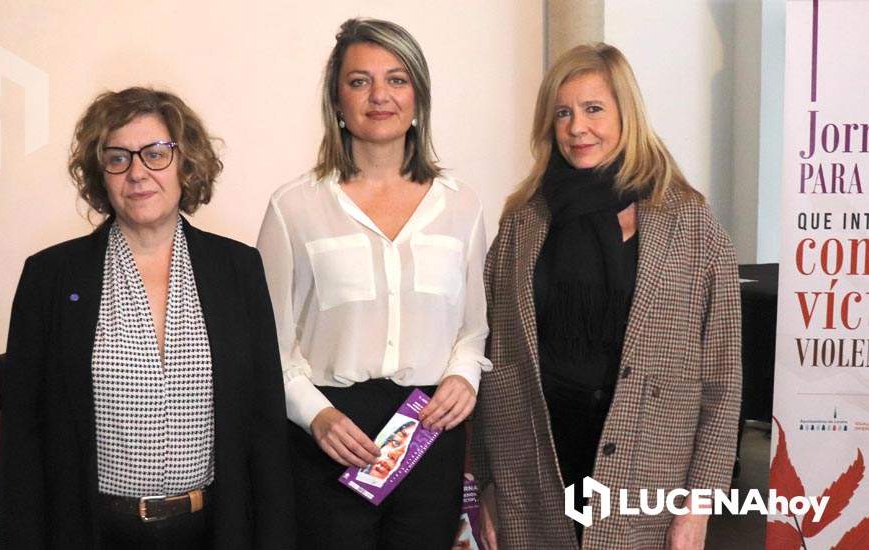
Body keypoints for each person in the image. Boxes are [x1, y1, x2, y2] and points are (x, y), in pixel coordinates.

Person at [0, 87, 294, 549]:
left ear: (185, 163)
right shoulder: (50, 277)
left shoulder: (237, 269)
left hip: (215, 531)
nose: (137, 173)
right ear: (102, 174)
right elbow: (23, 442)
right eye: (118, 158)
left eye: (156, 154)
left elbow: (265, 426)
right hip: (91, 532)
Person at [471, 43, 741, 550]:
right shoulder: (522, 224)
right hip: (534, 467)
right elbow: (490, 359)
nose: (577, 128)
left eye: (593, 109)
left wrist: (699, 506)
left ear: (626, 114)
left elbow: (722, 378)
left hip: (647, 474)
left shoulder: (689, 222)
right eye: (563, 113)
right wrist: (487, 483)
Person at [257, 18, 491, 550]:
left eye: (397, 79)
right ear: (336, 101)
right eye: (360, 81)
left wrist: (463, 379)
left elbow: (473, 329)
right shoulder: (293, 207)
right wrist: (316, 416)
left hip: (429, 431)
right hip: (332, 439)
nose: (380, 95)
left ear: (418, 98)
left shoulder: (463, 206)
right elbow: (267, 345)